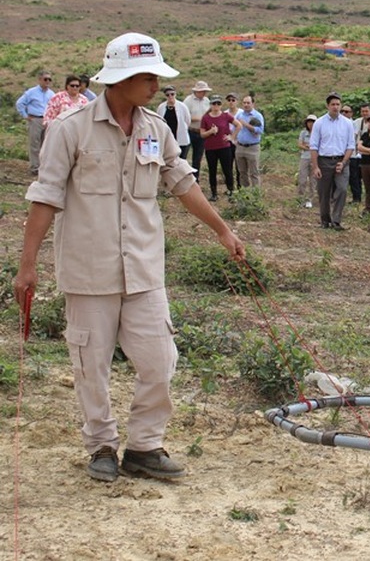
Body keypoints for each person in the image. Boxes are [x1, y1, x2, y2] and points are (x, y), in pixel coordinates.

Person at [12, 32, 245, 482]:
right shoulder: (70, 129)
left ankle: (144, 446)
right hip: (87, 270)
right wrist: (28, 266)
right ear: (119, 78)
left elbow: (183, 183)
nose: (156, 85)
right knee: (90, 366)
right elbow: (45, 198)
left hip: (142, 269)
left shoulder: (156, 130)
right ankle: (101, 444)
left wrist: (223, 230)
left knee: (160, 360)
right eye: (148, 76)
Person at [309, 92, 355, 230]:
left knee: (341, 189)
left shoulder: (347, 123)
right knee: (324, 192)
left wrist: (344, 162)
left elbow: (350, 145)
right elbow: (313, 146)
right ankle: (325, 220)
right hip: (324, 160)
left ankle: (336, 220)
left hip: (341, 159)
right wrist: (315, 166)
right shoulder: (319, 123)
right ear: (328, 106)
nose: (336, 107)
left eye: (338, 104)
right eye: (333, 104)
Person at [15, 70, 55, 174]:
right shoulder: (31, 92)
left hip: (47, 120)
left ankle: (44, 167)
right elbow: (20, 103)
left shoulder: (51, 94)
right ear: (40, 80)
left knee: (46, 144)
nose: (47, 81)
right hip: (35, 119)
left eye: (49, 79)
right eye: (45, 79)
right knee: (34, 144)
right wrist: (25, 115)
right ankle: (35, 167)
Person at [200, 95, 235, 201]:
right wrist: (210, 132)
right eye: (214, 103)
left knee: (227, 170)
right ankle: (214, 193)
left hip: (224, 147)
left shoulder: (226, 115)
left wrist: (231, 137)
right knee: (212, 170)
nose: (216, 106)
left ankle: (231, 191)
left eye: (218, 104)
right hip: (211, 148)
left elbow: (238, 125)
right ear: (210, 105)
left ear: (221, 105)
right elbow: (202, 134)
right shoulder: (205, 118)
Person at [182, 80, 211, 181]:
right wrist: (199, 118)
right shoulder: (188, 101)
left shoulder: (207, 101)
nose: (204, 93)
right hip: (190, 131)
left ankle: (195, 179)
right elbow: (184, 116)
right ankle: (183, 177)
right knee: (184, 156)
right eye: (203, 91)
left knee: (197, 158)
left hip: (201, 132)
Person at [234, 95, 264, 188]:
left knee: (254, 173)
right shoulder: (239, 115)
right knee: (242, 172)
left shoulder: (257, 116)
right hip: (240, 147)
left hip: (252, 147)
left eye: (248, 103)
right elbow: (234, 127)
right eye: (244, 103)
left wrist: (246, 125)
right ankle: (245, 193)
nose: (246, 105)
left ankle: (255, 195)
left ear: (253, 104)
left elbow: (260, 130)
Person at [157, 85, 191, 159]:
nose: (170, 96)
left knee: (182, 161)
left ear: (175, 94)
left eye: (172, 94)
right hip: (167, 139)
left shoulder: (183, 106)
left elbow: (187, 121)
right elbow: (159, 121)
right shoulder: (161, 107)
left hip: (181, 139)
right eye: (167, 95)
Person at [345, 104, 364, 204]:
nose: (344, 113)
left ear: (351, 113)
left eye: (347, 111)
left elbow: (353, 138)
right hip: (339, 154)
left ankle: (357, 198)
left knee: (354, 177)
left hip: (352, 154)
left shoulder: (354, 123)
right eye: (342, 111)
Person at [298, 115, 317, 208]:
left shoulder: (318, 133)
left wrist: (307, 146)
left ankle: (310, 199)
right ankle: (300, 199)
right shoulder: (303, 132)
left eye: (313, 122)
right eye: (309, 122)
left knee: (313, 180)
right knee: (302, 179)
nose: (311, 124)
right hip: (304, 157)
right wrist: (308, 146)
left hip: (315, 158)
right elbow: (300, 144)